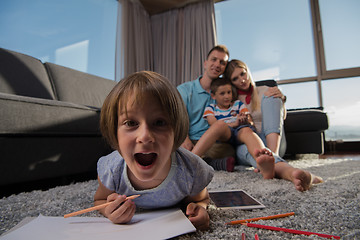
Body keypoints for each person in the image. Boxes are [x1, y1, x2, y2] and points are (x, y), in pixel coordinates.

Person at [94, 71, 214, 230]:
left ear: (176, 130)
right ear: (114, 131)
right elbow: (99, 201)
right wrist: (108, 210)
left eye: (159, 122)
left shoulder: (191, 170)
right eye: (131, 123)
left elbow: (202, 199)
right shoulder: (112, 170)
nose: (144, 136)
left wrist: (201, 209)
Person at [224, 59, 323, 191]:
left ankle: (272, 156)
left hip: (272, 139)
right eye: (235, 78)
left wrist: (282, 101)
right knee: (249, 148)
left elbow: (281, 118)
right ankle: (293, 173)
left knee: (272, 95)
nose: (242, 80)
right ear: (231, 82)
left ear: (248, 71)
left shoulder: (265, 90)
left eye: (243, 74)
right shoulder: (230, 101)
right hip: (248, 144)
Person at [191, 77, 276, 178]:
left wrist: (244, 119)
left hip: (240, 131)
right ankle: (190, 160)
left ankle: (264, 162)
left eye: (229, 92)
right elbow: (213, 125)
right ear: (213, 96)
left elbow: (250, 122)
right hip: (225, 133)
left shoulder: (238, 104)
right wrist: (234, 124)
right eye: (222, 93)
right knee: (219, 125)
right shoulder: (211, 108)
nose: (227, 96)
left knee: (247, 130)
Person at [177, 45, 235, 171]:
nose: (217, 64)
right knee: (171, 147)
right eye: (213, 60)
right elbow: (176, 118)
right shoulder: (185, 90)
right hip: (188, 140)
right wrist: (184, 139)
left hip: (213, 144)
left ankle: (195, 161)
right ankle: (211, 163)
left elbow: (247, 91)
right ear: (205, 63)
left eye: (222, 62)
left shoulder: (225, 93)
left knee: (230, 150)